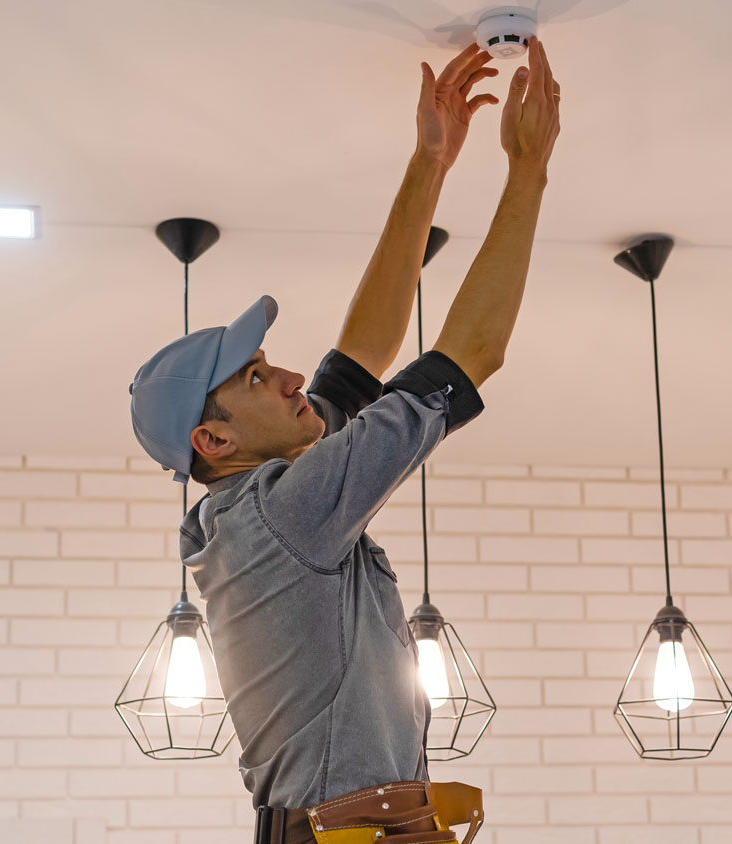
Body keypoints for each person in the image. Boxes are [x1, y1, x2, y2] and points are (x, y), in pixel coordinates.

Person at [128, 37, 560, 843]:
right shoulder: (285, 515)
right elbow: (470, 356)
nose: (291, 378)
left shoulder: (263, 511)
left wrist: (430, 162)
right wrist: (528, 170)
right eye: (258, 379)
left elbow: (360, 357)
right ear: (213, 438)